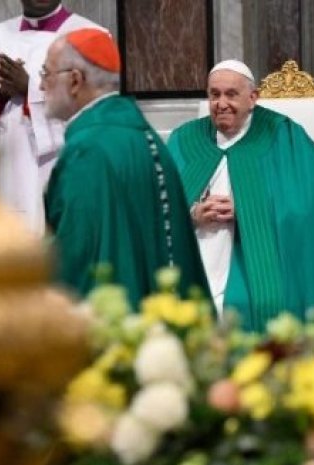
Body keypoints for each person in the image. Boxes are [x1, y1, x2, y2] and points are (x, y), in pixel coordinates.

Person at [166, 60, 314, 332]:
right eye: (214, 94)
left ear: (253, 98)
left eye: (231, 94)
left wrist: (249, 211)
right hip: (196, 252)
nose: (221, 103)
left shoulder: (285, 137)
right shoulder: (185, 138)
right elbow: (157, 206)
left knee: (247, 304)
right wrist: (192, 213)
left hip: (261, 258)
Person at [41, 28, 209, 309]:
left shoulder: (88, 150)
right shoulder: (144, 136)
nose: (41, 85)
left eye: (46, 73)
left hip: (111, 323)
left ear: (74, 80)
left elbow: (75, 252)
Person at [0, 1, 101, 234]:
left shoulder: (91, 37)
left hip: (63, 181)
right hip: (4, 182)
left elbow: (97, 112)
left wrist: (29, 89)